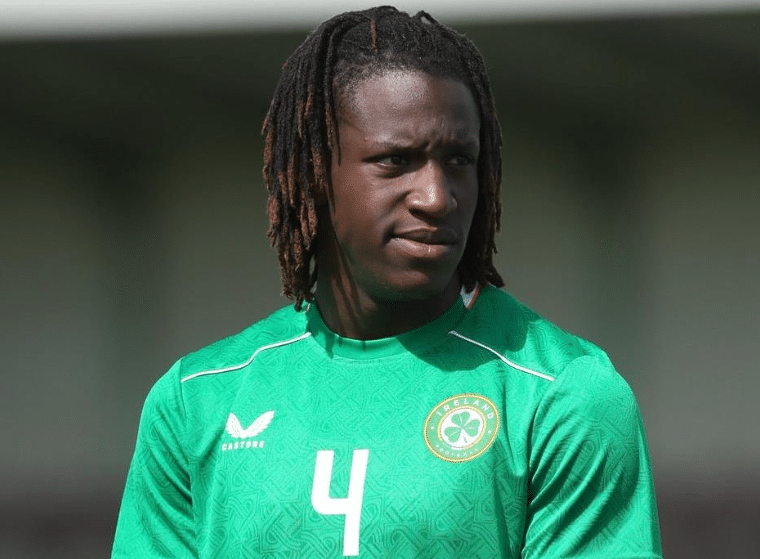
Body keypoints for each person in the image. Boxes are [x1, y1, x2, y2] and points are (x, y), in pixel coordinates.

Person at [112, 6, 662, 558]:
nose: (436, 197)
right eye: (396, 160)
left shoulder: (561, 394)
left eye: (459, 160)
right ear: (314, 173)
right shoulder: (198, 398)